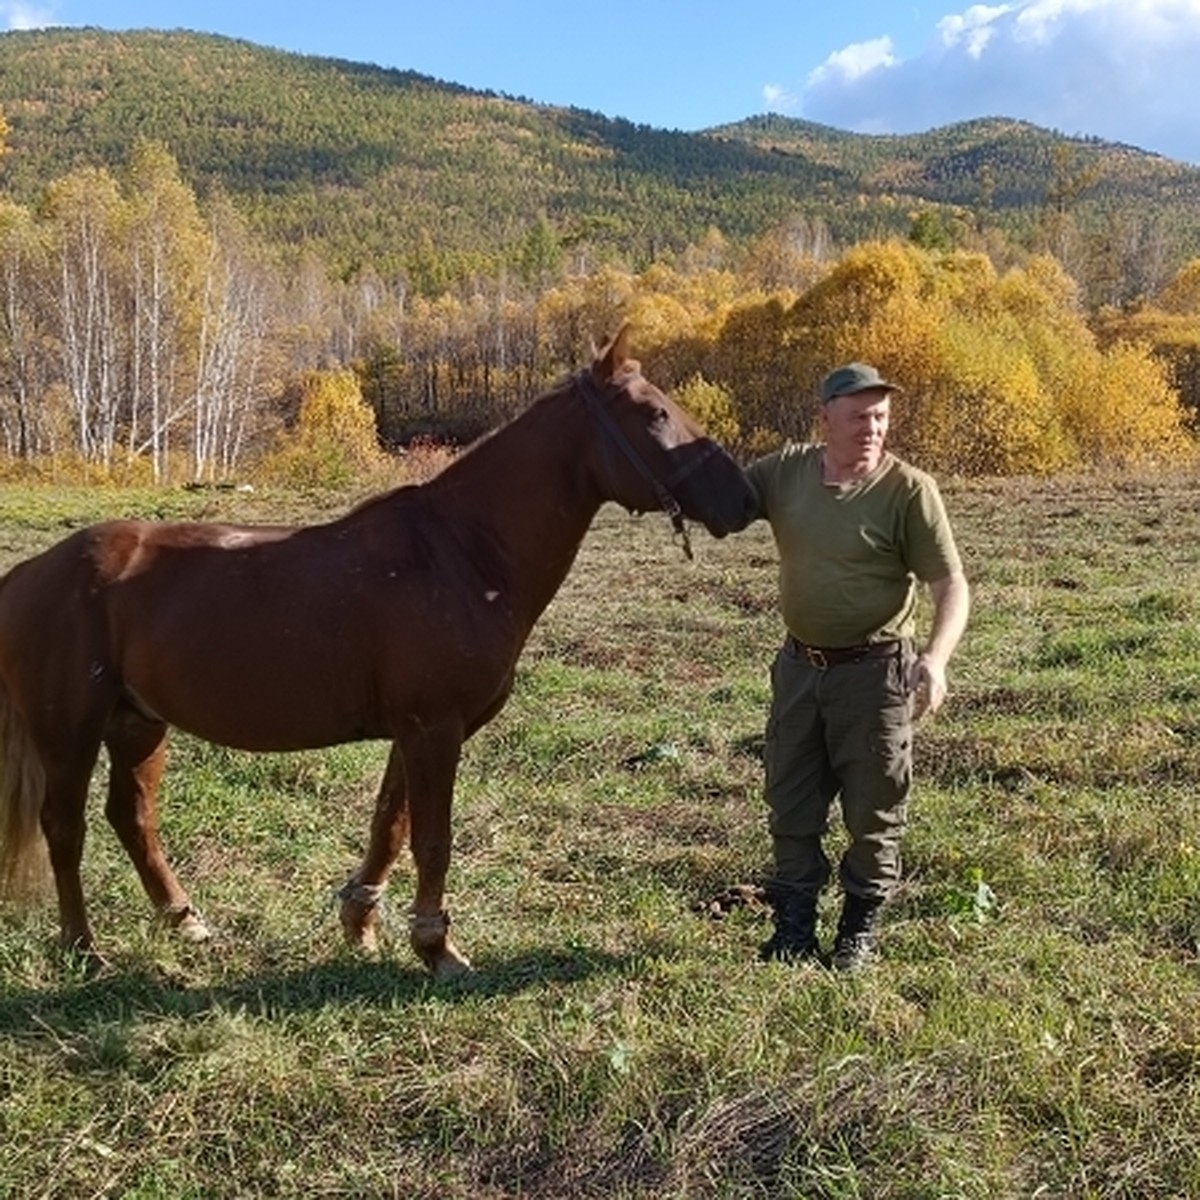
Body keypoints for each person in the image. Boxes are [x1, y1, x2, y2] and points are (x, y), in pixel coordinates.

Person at [743, 362, 970, 970]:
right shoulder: (786, 470)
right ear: (825, 419)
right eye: (859, 417)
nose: (872, 428)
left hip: (876, 675)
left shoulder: (908, 491)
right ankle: (792, 931)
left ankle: (856, 934)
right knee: (790, 803)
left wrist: (937, 659)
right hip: (798, 670)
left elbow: (950, 583)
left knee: (874, 811)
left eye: (881, 417)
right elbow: (722, 498)